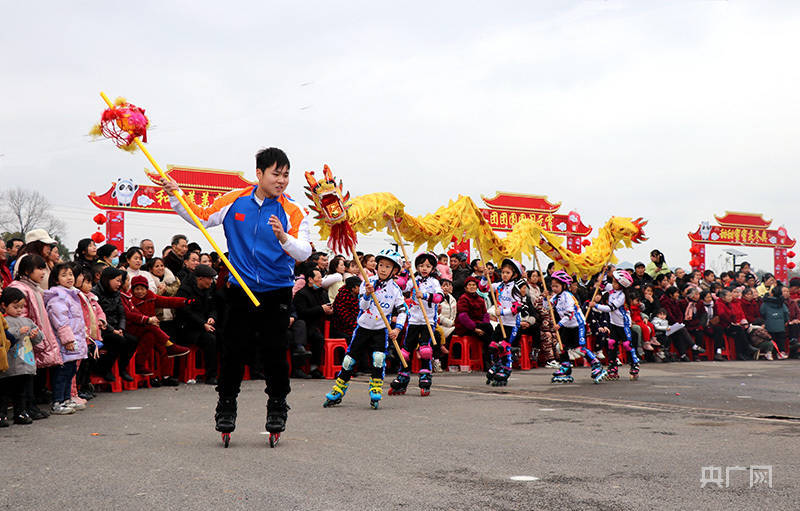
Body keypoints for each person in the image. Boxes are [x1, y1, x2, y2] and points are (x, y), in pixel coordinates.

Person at [162, 147, 311, 441]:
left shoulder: (293, 209)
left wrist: (284, 237)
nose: (281, 180)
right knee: (232, 351)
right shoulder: (235, 200)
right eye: (276, 174)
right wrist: (175, 194)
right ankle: (226, 405)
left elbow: (304, 250)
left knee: (274, 354)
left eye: (285, 175)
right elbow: (200, 218)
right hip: (240, 290)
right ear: (259, 173)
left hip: (276, 292)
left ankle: (277, 405)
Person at [324, 250, 406, 409]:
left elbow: (403, 311)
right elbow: (362, 306)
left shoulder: (396, 289)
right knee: (349, 360)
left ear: (394, 270)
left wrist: (397, 329)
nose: (382, 269)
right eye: (380, 265)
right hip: (363, 327)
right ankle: (338, 390)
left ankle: (375, 389)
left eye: (387, 266)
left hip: (381, 329)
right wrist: (368, 295)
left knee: (378, 359)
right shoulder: (367, 282)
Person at [8, 255, 62, 420]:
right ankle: (25, 408)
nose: (43, 272)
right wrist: (27, 333)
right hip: (22, 341)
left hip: (34, 337)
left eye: (44, 268)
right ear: (26, 271)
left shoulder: (35, 288)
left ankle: (32, 406)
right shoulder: (20, 288)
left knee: (32, 374)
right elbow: (19, 317)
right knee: (24, 377)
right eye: (39, 268)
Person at [390, 252, 443, 395]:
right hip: (413, 320)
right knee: (406, 351)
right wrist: (405, 270)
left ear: (432, 268)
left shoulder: (434, 282)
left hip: (428, 321)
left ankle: (425, 378)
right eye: (421, 265)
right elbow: (400, 285)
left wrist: (425, 295)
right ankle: (402, 377)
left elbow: (440, 297)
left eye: (427, 266)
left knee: (425, 350)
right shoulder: (414, 279)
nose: (424, 268)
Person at [43, 264, 88, 415]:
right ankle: (58, 401)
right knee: (61, 373)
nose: (69, 278)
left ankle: (67, 398)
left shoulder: (72, 294)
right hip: (64, 342)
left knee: (70, 372)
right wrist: (68, 340)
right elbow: (60, 321)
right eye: (64, 275)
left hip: (74, 340)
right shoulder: (57, 297)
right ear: (56, 279)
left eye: (70, 274)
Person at [0, 287, 44, 426]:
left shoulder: (27, 321)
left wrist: (35, 335)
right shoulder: (4, 321)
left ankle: (21, 412)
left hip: (26, 362)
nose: (19, 310)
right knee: (4, 392)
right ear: (4, 306)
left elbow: (39, 338)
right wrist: (18, 332)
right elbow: (6, 338)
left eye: (21, 307)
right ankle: (2, 414)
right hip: (10, 364)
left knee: (22, 391)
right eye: (15, 307)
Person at [484, 258, 526, 386]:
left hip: (512, 324)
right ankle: (498, 365)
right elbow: (484, 288)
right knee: (493, 346)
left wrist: (502, 312)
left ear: (514, 274)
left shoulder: (516, 288)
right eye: (503, 272)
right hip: (502, 323)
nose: (504, 275)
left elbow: (517, 308)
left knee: (504, 346)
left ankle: (506, 369)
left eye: (508, 273)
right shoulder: (499, 285)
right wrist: (485, 276)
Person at [591, 269, 639, 380]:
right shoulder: (612, 290)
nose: (613, 284)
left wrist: (596, 306)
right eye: (613, 281)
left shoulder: (622, 296)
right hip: (613, 323)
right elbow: (603, 283)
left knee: (627, 344)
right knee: (611, 343)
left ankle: (634, 365)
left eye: (616, 282)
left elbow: (610, 308)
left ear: (622, 284)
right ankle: (612, 367)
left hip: (623, 324)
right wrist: (603, 271)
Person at [92, 267, 138, 382]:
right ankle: (103, 368)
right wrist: (112, 330)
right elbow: (99, 316)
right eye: (117, 280)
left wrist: (121, 328)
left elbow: (121, 314)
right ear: (108, 279)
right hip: (101, 329)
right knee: (118, 341)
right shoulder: (95, 293)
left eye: (121, 281)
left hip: (116, 328)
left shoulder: (116, 293)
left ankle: (122, 369)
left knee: (132, 340)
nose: (120, 284)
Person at [175, 265, 219, 384]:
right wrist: (202, 324)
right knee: (210, 339)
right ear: (200, 279)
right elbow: (185, 312)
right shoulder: (185, 290)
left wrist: (212, 317)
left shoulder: (210, 288)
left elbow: (214, 306)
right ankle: (211, 375)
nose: (211, 281)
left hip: (206, 324)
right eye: (209, 279)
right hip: (188, 328)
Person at [293, 267, 332, 379]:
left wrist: (329, 310)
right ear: (310, 279)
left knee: (318, 337)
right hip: (304, 325)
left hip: (318, 325)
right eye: (318, 278)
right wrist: (321, 309)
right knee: (314, 336)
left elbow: (326, 306)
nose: (321, 281)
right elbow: (302, 312)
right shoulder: (302, 294)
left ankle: (315, 368)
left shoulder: (322, 293)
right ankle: (300, 368)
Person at [454, 276, 493, 368]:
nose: (472, 287)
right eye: (469, 285)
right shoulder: (463, 298)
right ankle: (487, 360)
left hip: (479, 324)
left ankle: (487, 359)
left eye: (474, 285)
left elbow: (485, 314)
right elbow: (463, 317)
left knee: (488, 328)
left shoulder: (480, 299)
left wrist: (484, 324)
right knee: (487, 333)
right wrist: (475, 328)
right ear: (465, 287)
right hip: (465, 327)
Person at [331, 276, 361, 341]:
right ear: (353, 288)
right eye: (359, 286)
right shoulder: (343, 297)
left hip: (355, 325)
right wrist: (357, 326)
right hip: (342, 327)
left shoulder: (356, 296)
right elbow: (345, 318)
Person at [761, 286, 789, 355]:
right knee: (781, 340)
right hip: (780, 325)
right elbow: (786, 312)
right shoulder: (781, 303)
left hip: (769, 324)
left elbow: (762, 312)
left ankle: (771, 352)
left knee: (771, 339)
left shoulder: (765, 302)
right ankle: (781, 352)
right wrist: (785, 321)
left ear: (772, 294)